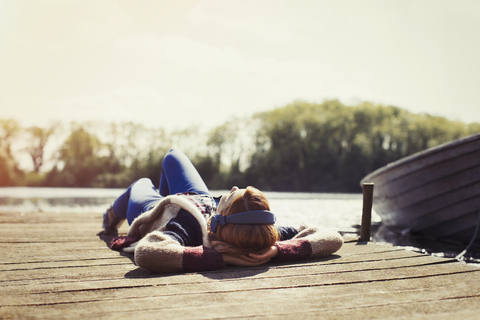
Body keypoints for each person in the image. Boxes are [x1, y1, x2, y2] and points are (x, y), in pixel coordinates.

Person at [102, 148, 343, 274]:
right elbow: (332, 237)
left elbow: (148, 252)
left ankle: (111, 214)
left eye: (231, 195)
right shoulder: (260, 236)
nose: (234, 187)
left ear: (221, 219)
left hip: (163, 211)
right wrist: (276, 250)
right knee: (172, 156)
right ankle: (166, 196)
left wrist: (223, 258)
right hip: (196, 197)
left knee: (141, 183)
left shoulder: (187, 228)